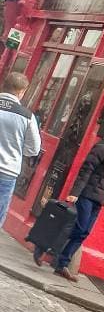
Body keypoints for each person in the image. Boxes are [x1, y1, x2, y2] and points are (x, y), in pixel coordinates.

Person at [38, 125, 104, 280]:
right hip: (87, 195)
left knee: (83, 232)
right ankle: (45, 245)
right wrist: (75, 193)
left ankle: (61, 264)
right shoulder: (103, 148)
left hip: (99, 199)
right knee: (79, 229)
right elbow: (87, 170)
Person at [0, 72, 41, 228]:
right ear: (22, 91)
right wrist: (16, 148)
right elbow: (33, 149)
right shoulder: (27, 116)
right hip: (7, 172)